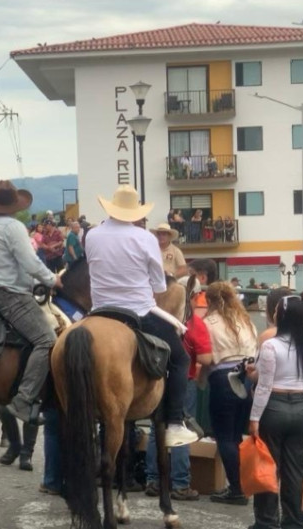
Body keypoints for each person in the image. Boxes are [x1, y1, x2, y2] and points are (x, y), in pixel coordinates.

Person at [86, 184, 199, 447]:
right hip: (138, 311)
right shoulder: (145, 238)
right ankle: (173, 423)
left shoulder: (92, 235)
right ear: (136, 213)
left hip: (99, 311)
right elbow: (159, 286)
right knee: (180, 359)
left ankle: (38, 400)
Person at [0, 180, 60, 425]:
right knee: (46, 340)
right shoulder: (13, 227)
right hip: (11, 295)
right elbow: (30, 262)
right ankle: (24, 399)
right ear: (14, 205)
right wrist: (52, 280)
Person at [146, 274, 213, 501]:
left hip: (157, 377)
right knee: (180, 428)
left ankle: (153, 479)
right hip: (185, 380)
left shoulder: (153, 320)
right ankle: (180, 483)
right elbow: (205, 357)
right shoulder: (194, 324)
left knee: (157, 429)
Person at [248, 295, 303, 529]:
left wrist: (254, 417)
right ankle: (294, 520)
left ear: (281, 316)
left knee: (267, 466)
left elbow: (264, 385)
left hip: (274, 406)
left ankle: (266, 521)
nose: (273, 313)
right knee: (294, 469)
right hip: (300, 406)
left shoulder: (271, 345)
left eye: (276, 310)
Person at [203, 281, 257, 506]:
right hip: (246, 376)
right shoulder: (245, 320)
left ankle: (236, 489)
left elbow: (205, 357)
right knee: (236, 436)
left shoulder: (207, 322)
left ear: (209, 300)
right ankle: (242, 485)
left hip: (222, 378)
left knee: (224, 436)